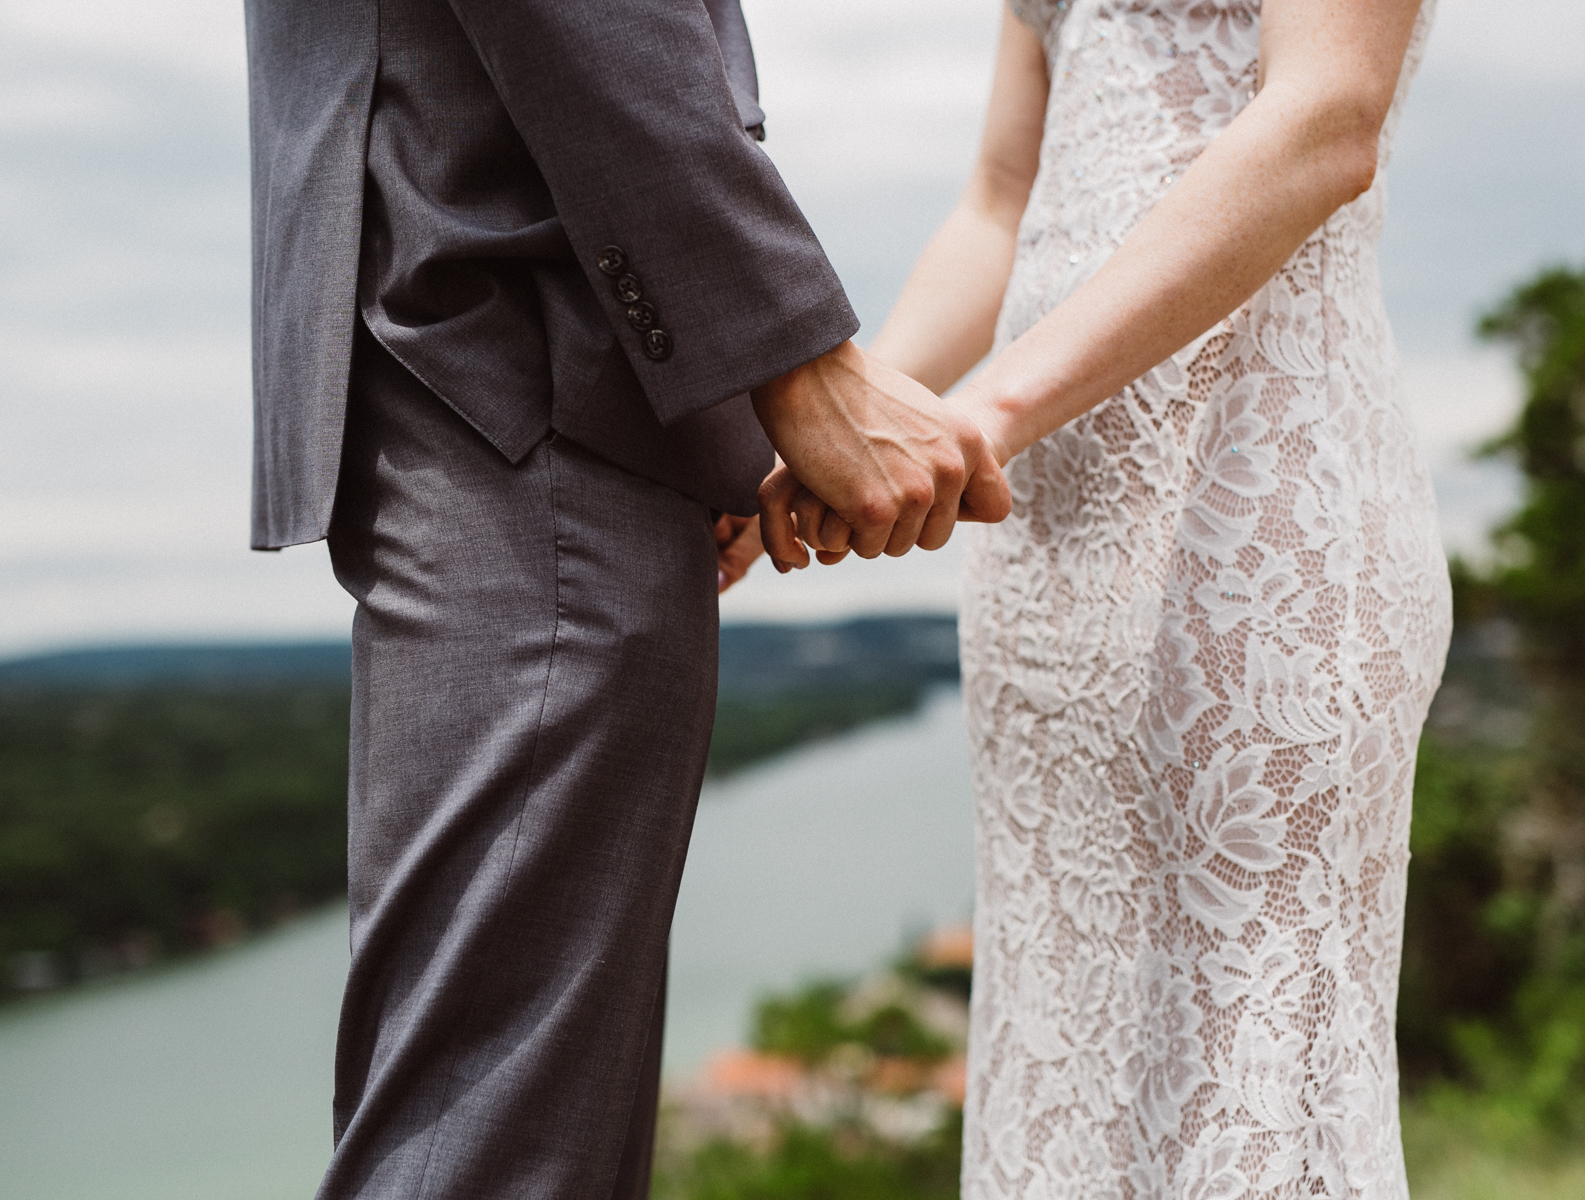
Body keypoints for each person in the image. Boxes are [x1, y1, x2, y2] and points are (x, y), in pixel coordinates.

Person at [239, 1, 1008, 1197]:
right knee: (495, 1141)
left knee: (506, 1116)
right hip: (525, 384)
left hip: (508, 401)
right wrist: (792, 358)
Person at [767, 0, 1453, 1194]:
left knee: (1247, 1038)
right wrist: (844, 439)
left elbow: (1326, 119)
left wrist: (984, 416)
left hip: (1251, 510)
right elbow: (997, 199)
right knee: (1062, 1027)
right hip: (1044, 538)